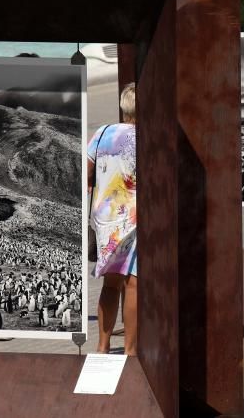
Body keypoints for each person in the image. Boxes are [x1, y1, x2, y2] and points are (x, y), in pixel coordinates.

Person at [87, 82, 138, 355]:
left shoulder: (103, 133)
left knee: (110, 284)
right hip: (133, 219)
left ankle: (102, 346)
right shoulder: (146, 137)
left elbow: (86, 174)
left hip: (105, 219)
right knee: (133, 284)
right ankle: (130, 350)